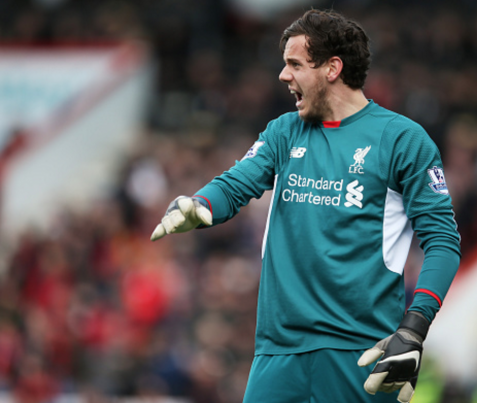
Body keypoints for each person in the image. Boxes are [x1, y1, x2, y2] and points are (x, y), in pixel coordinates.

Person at [151, 9, 461, 403]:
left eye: (294, 64)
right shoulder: (284, 131)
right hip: (277, 355)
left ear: (332, 68)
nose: (283, 76)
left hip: (361, 354)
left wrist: (414, 328)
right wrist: (200, 203)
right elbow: (237, 183)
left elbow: (443, 242)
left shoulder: (402, 140)